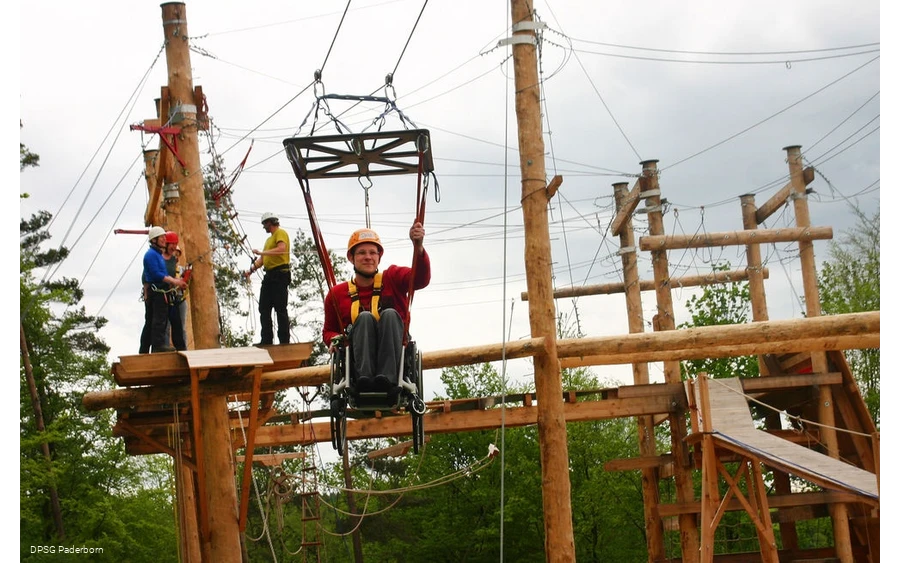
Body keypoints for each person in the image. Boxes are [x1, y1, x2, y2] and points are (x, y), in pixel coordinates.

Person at [322, 222, 430, 393]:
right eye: (362, 253)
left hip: (395, 359)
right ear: (351, 258)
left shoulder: (393, 277)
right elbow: (328, 330)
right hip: (358, 367)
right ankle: (364, 378)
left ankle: (388, 378)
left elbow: (421, 279)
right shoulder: (337, 294)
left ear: (379, 257)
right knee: (364, 318)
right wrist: (335, 339)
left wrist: (418, 247)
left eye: (373, 252)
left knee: (389, 315)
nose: (368, 257)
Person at [243, 212, 291, 345]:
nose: (264, 227)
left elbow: (281, 249)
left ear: (270, 222)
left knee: (280, 308)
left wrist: (261, 252)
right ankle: (266, 339)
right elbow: (263, 260)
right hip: (269, 275)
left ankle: (284, 341)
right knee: (264, 307)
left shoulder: (280, 233)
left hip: (280, 274)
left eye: (265, 224)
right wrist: (250, 271)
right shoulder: (268, 241)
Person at [140, 226, 187, 353]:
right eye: (162, 238)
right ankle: (153, 347)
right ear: (154, 240)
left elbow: (163, 273)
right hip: (157, 292)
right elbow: (155, 275)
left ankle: (180, 348)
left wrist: (177, 281)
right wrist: (174, 281)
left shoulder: (161, 256)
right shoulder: (151, 255)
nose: (164, 240)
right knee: (156, 322)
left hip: (167, 293)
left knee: (174, 323)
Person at [162, 231, 188, 351]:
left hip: (179, 300)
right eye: (174, 253)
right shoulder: (164, 264)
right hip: (167, 298)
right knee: (165, 326)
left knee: (180, 327)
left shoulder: (180, 269)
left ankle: (182, 348)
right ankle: (165, 347)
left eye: (177, 254)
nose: (175, 256)